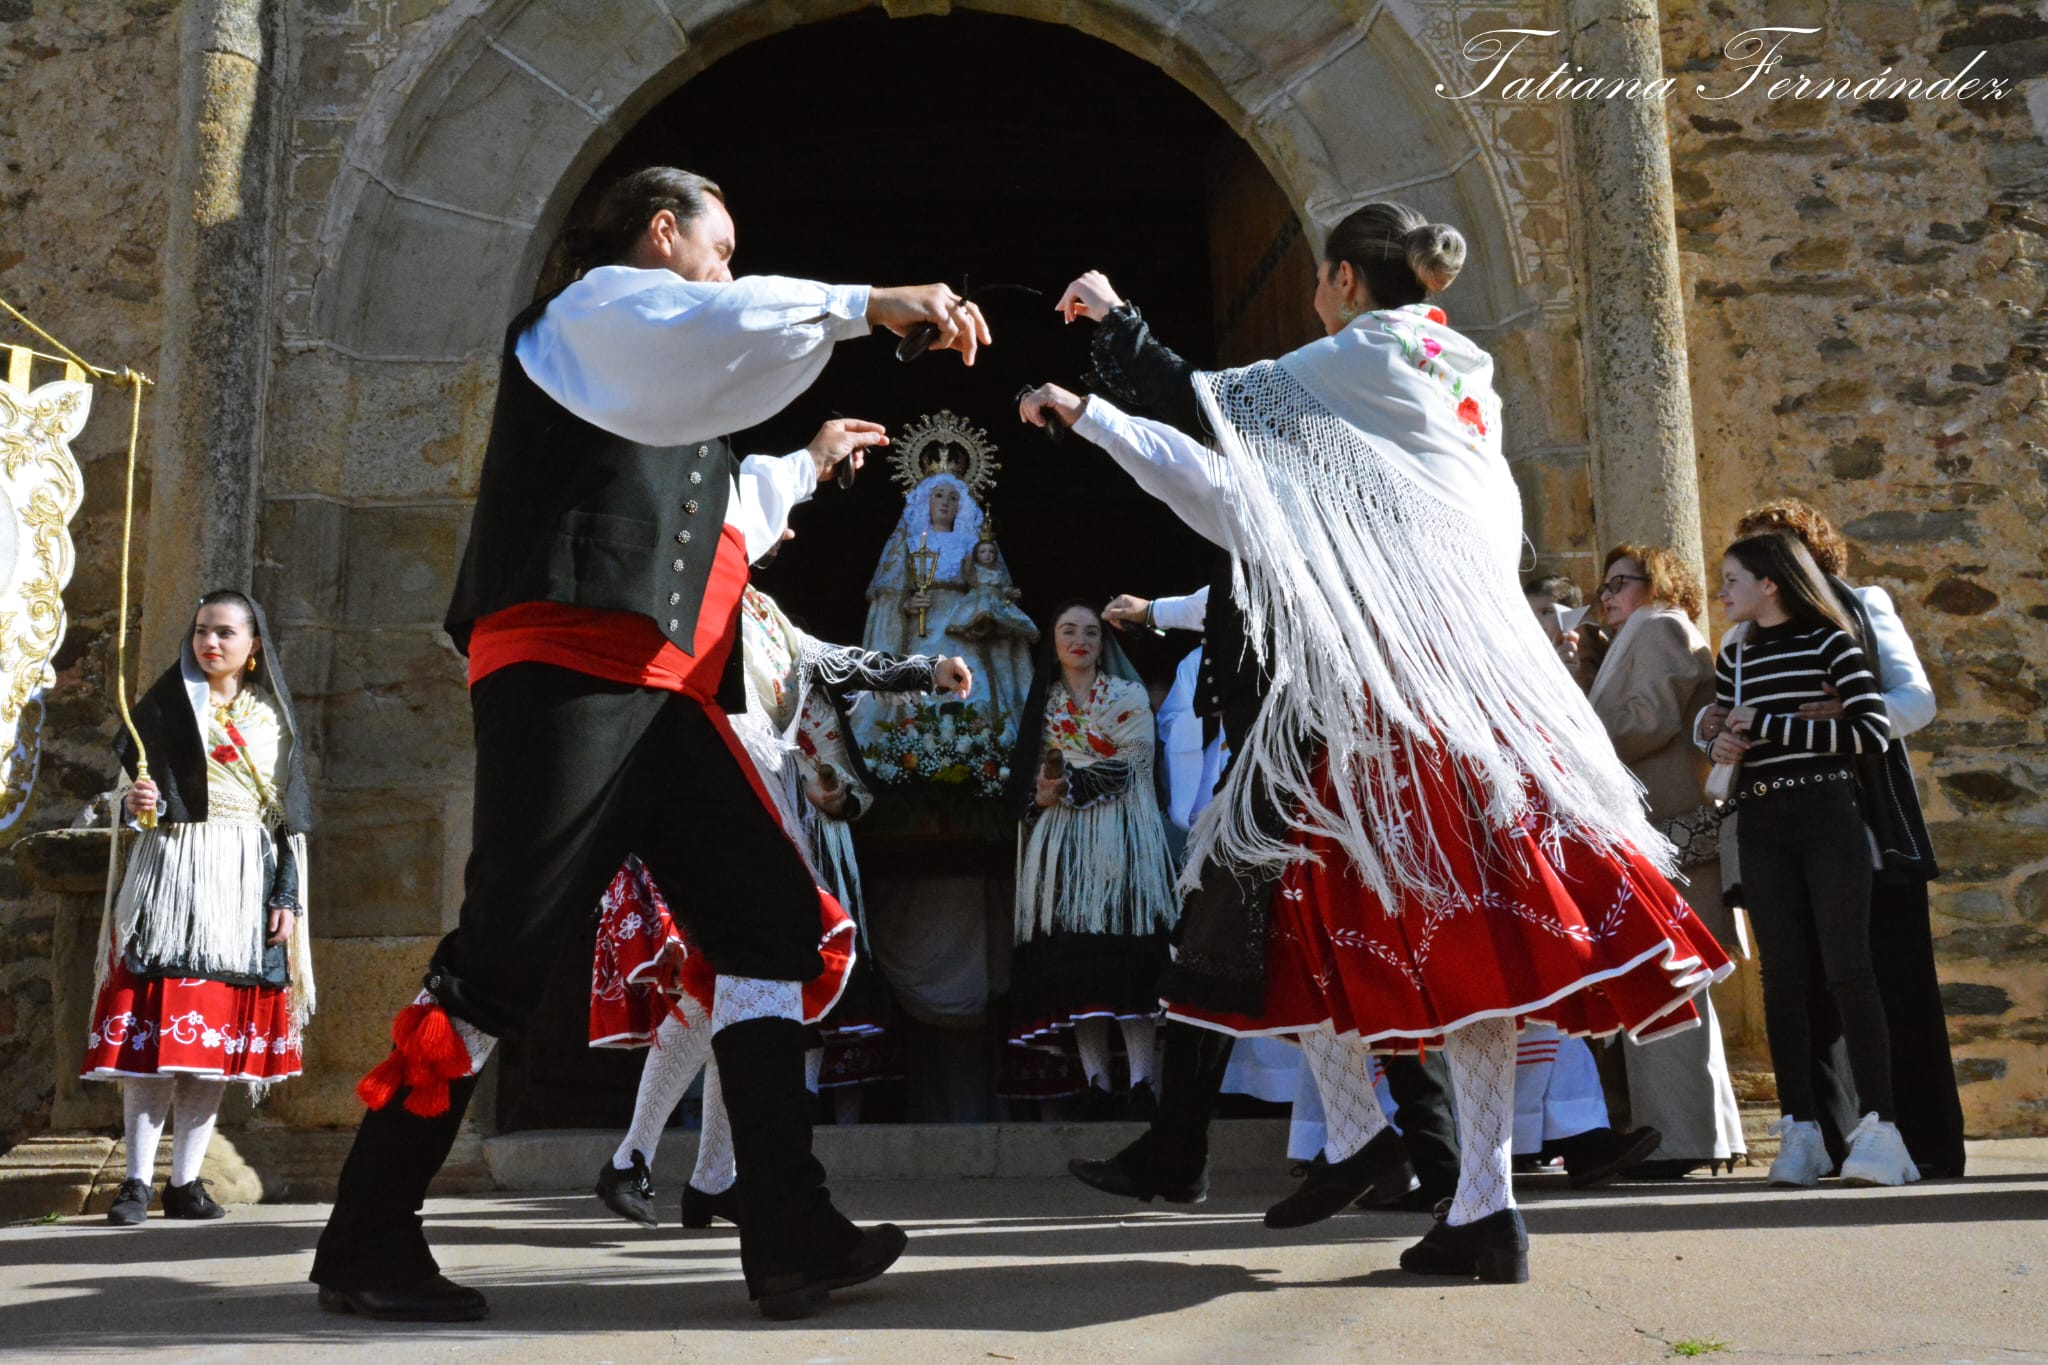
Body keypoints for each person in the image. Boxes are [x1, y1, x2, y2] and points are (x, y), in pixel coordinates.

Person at [309, 164, 991, 1323]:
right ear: (663, 234)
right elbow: (705, 323)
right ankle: (369, 1233)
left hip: (664, 691)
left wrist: (810, 460)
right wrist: (862, 299)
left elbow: (717, 513)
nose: (727, 273)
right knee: (501, 954)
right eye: (719, 248)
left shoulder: (663, 394)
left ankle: (785, 1228)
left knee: (770, 925)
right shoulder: (589, 313)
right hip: (565, 668)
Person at [1022, 200, 1728, 1283]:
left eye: (1318, 282)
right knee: (1337, 921)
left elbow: (1202, 411)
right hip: (1467, 703)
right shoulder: (1449, 376)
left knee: (1328, 916)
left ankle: (1445, 1185)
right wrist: (1096, 422)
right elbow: (1238, 503)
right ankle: (1421, 1174)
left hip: (1400, 701)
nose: (1312, 301)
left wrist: (1113, 323)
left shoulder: (1363, 361)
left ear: (1344, 281)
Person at [590, 583, 971, 1228]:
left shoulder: (766, 612)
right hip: (701, 808)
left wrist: (925, 669)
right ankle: (637, 1159)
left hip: (759, 803)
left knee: (741, 991)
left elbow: (833, 661)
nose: (788, 522)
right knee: (716, 989)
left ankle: (711, 1177)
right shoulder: (683, 589)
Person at [1700, 500, 1960, 1179]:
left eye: (1767, 552)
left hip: (1859, 806)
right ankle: (1812, 1130)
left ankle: (1904, 1136)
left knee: (1874, 973)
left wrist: (1843, 710)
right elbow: (1724, 713)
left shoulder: (1858, 610)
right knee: (1791, 980)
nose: (1745, 572)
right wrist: (1717, 731)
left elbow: (1911, 701)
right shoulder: (1741, 641)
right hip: (1766, 816)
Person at [83, 590, 315, 1226]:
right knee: (154, 1043)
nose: (209, 643)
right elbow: (129, 801)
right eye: (200, 632)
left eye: (224, 634)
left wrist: (287, 897)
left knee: (205, 1048)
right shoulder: (160, 710)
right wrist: (135, 802)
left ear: (253, 647)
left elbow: (285, 822)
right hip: (171, 880)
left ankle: (185, 1183)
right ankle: (134, 1180)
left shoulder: (271, 722)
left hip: (240, 888)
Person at [1587, 545, 1747, 1178]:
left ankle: (1681, 1141)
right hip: (1659, 836)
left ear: (1654, 583)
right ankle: (1703, 1135)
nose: (1605, 597)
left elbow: (1646, 721)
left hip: (1669, 837)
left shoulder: (1661, 626)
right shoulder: (1637, 636)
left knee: (1670, 986)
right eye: (1602, 587)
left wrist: (1567, 727)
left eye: (1617, 583)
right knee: (1674, 988)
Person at [1004, 601, 1180, 1115]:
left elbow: (1134, 763)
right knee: (1079, 967)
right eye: (1067, 630)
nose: (1079, 640)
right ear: (1053, 642)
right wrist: (1038, 794)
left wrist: (1071, 781)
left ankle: (1144, 1084)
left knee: (1130, 960)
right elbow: (1025, 781)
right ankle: (1096, 1084)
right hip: (1062, 849)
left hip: (1126, 842)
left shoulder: (1127, 695)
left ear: (1104, 644)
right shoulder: (1042, 705)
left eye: (1089, 632)